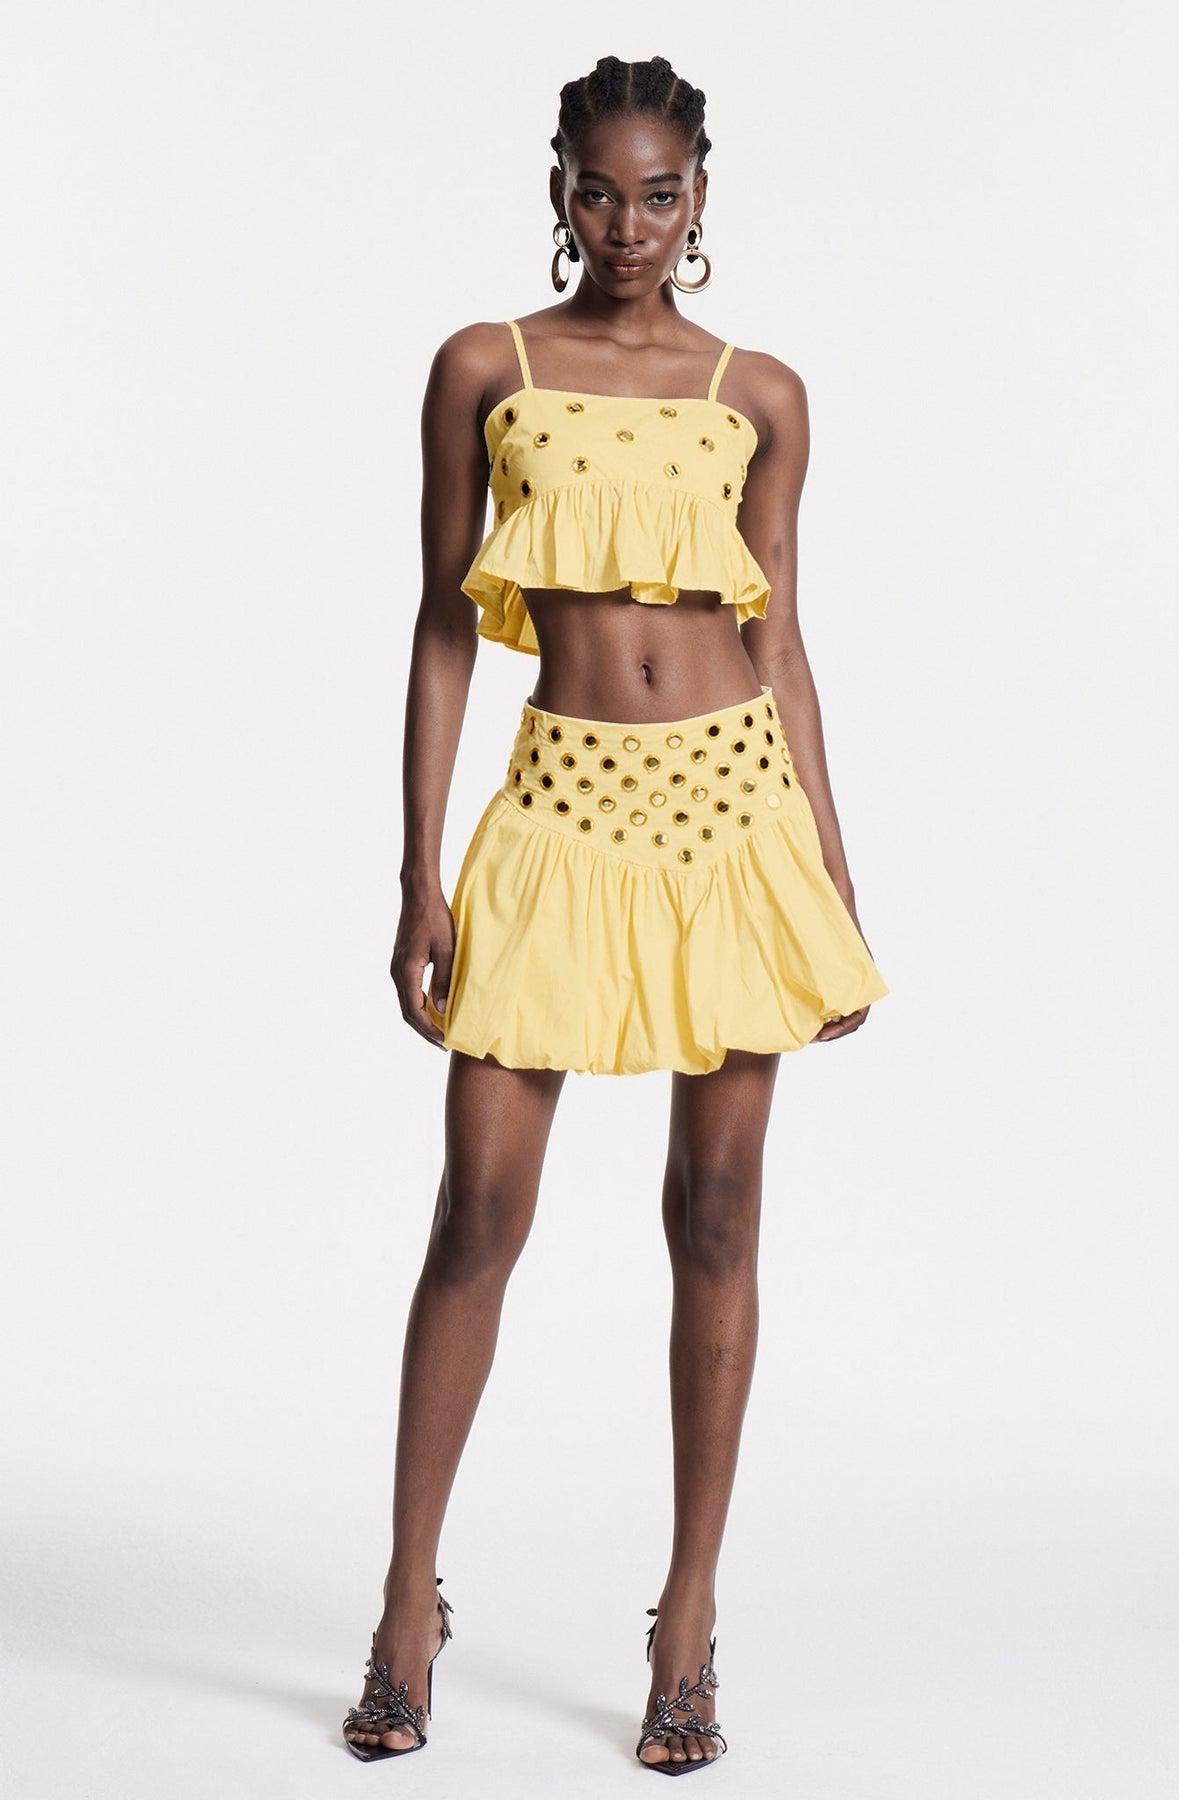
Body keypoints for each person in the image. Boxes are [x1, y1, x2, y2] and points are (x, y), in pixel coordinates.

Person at [341, 52, 889, 1774]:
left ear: (701, 196)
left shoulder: (760, 392)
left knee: (717, 1213)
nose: (629, 224)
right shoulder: (486, 367)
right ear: (560, 187)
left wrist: (831, 867)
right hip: (559, 810)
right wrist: (419, 869)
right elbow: (443, 625)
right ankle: (407, 1605)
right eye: (601, 190)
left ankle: (690, 1619)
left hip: (732, 815)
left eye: (661, 194)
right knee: (478, 1211)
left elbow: (780, 634)